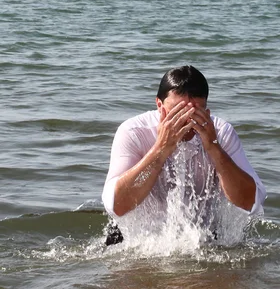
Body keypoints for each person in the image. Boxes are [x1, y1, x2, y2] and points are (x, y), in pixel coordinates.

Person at [102, 65, 266, 244]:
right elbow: (116, 205)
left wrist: (214, 148)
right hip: (136, 238)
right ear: (159, 105)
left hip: (203, 236)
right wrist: (161, 148)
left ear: (206, 109)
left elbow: (251, 203)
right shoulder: (134, 132)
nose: (186, 121)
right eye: (177, 112)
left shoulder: (221, 133)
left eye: (195, 112)